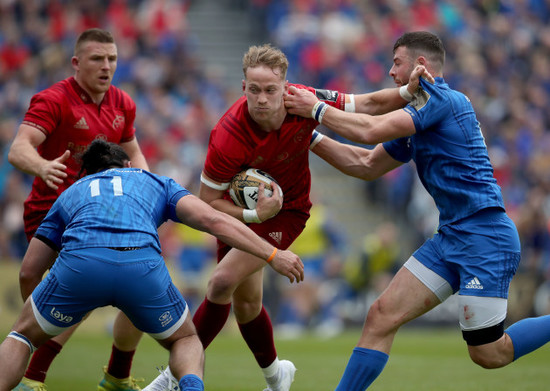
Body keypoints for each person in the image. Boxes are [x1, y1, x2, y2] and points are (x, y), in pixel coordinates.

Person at [143, 43, 426, 391]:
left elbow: (365, 103)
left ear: (285, 86)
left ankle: (174, 377)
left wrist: (406, 91)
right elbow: (207, 204)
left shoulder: (303, 101)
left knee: (219, 283)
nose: (262, 98)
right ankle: (278, 377)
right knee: (247, 305)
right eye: (255, 89)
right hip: (242, 213)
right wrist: (251, 213)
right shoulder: (227, 135)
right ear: (244, 87)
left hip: (287, 212)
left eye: (271, 89)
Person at [284, 31, 550, 391]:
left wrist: (314, 110)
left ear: (420, 65)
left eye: (396, 63)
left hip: (485, 237)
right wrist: (308, 136)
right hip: (452, 236)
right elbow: (363, 163)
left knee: (490, 354)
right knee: (380, 316)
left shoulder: (443, 98)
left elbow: (371, 127)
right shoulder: (419, 114)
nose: (391, 72)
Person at [7, 28, 149, 391]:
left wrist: (144, 188)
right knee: (47, 287)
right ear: (76, 63)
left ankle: (112, 375)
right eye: (97, 59)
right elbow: (18, 148)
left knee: (138, 284)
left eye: (112, 59)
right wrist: (42, 166)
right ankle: (34, 360)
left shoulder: (123, 103)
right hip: (50, 213)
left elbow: (132, 151)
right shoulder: (53, 100)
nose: (106, 66)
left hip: (99, 217)